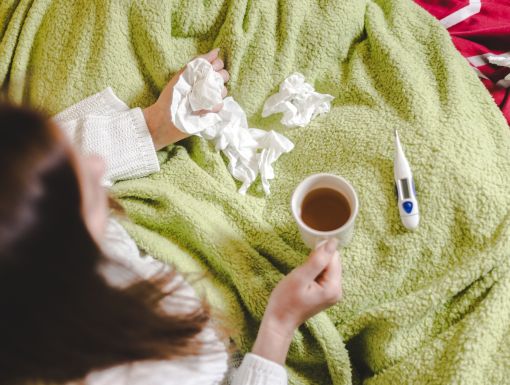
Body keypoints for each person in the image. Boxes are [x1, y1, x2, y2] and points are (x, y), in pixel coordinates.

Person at [0, 49, 342, 385]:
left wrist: (152, 126)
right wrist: (280, 325)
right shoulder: (152, 370)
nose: (96, 164)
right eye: (82, 189)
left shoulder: (28, 250)